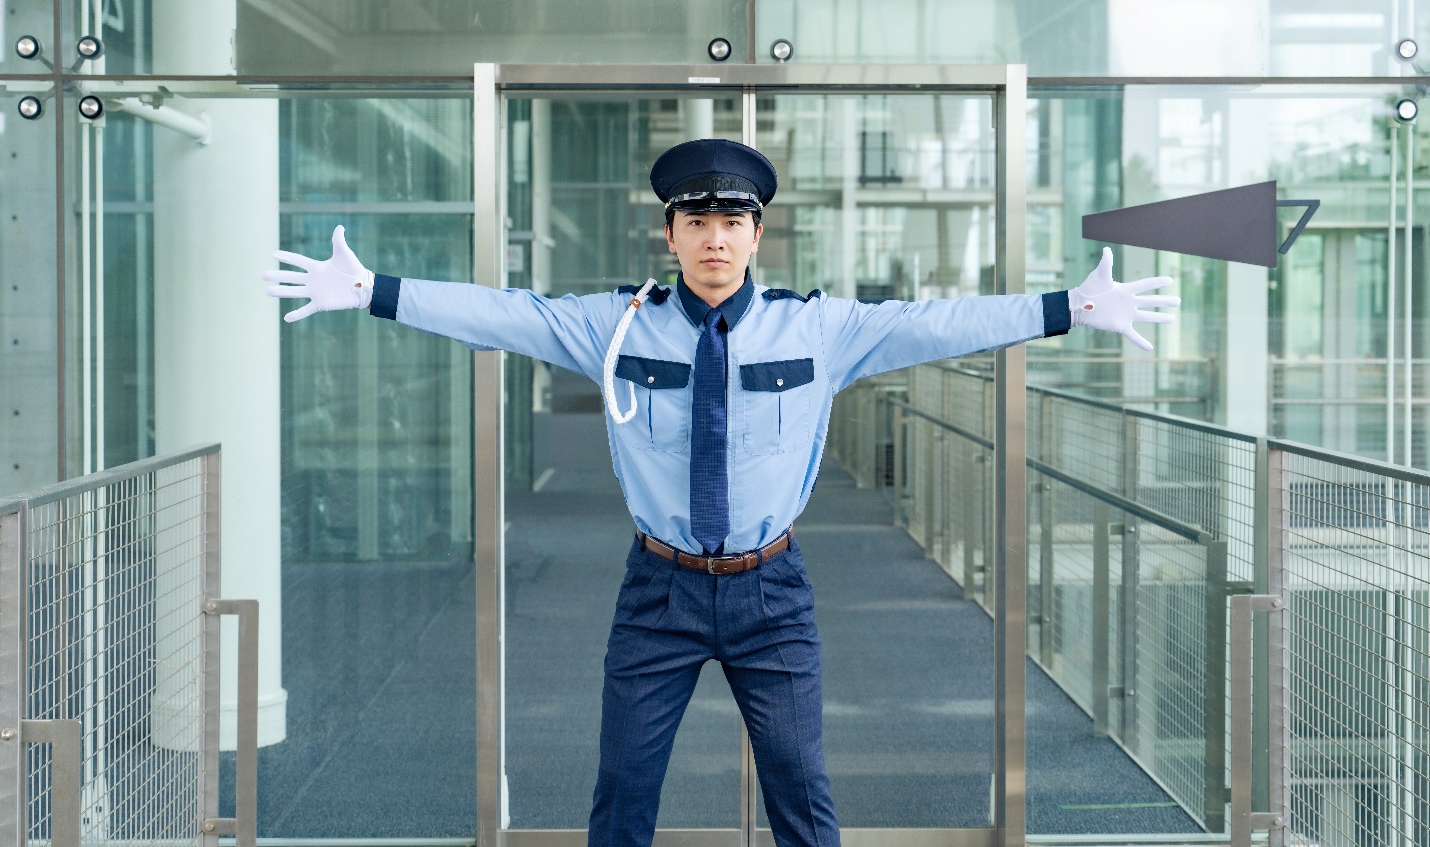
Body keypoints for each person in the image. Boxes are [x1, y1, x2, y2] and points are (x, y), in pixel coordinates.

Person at [262, 138, 1179, 847]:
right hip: (657, 591)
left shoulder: (818, 329)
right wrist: (376, 290)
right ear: (669, 235)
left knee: (802, 796)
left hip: (769, 592)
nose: (713, 237)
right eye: (694, 221)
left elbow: (940, 323)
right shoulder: (615, 327)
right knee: (622, 791)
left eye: (730, 221)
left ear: (755, 233)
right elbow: (504, 313)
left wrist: (1068, 307)